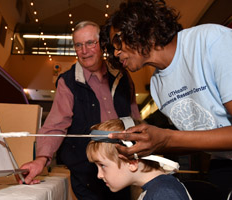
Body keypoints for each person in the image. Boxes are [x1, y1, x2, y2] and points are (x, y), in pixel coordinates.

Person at [100, 0, 232, 198]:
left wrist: (167, 138)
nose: (116, 53)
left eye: (117, 42)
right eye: (112, 48)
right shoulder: (157, 86)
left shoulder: (211, 42)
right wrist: (145, 145)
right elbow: (193, 140)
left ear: (139, 27)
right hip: (223, 164)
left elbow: (174, 139)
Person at [20, 21, 140, 200]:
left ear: (101, 44)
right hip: (88, 176)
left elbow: (134, 116)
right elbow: (55, 125)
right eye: (78, 45)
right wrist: (41, 159)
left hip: (124, 168)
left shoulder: (122, 75)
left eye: (90, 43)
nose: (84, 50)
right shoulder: (67, 82)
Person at [86, 117, 192, 200]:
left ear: (132, 162)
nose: (99, 175)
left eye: (102, 165)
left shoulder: (163, 193)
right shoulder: (156, 190)